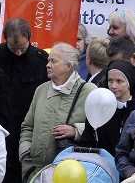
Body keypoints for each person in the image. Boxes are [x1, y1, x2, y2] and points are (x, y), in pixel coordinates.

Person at [0, 18, 48, 183]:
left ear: (30, 39)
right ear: (5, 39)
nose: (18, 53)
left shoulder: (41, 60)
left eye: (23, 48)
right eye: (14, 48)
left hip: (27, 131)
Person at [19, 43, 95, 181]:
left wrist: (75, 131)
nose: (47, 65)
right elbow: (27, 126)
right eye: (48, 60)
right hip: (34, 172)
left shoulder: (89, 91)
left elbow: (100, 129)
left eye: (53, 61)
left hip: (70, 174)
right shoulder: (41, 90)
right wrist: (25, 154)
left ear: (68, 66)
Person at [79, 60, 135, 157]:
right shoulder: (99, 108)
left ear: (129, 82)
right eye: (110, 80)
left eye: (119, 81)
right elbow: (87, 141)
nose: (113, 86)